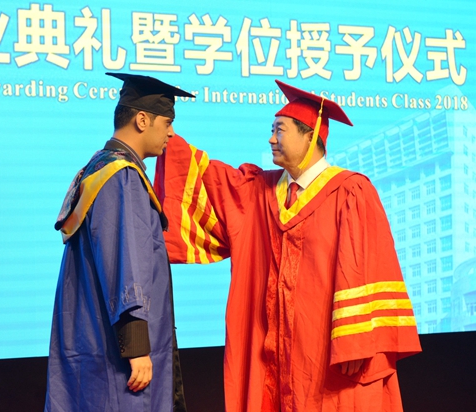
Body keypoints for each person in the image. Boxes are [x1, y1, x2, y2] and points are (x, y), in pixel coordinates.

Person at [154, 80, 422, 412]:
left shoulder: (350, 192)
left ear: (311, 135)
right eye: (272, 130)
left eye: (280, 130)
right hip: (272, 355)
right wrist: (164, 134)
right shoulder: (259, 191)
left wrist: (357, 343)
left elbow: (366, 267)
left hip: (327, 354)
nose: (271, 139)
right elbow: (211, 181)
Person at [44, 73, 193, 412]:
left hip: (92, 335)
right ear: (142, 120)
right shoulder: (122, 176)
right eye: (167, 122)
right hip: (119, 352)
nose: (171, 133)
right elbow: (127, 264)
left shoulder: (98, 166)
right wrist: (136, 347)